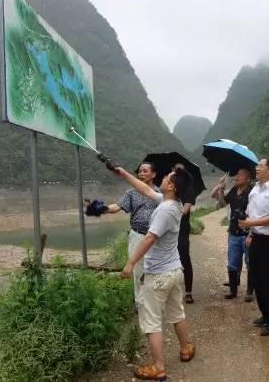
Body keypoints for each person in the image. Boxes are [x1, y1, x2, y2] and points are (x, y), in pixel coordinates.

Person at [114, 163, 196, 381]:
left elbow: (149, 238)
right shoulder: (171, 201)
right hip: (174, 271)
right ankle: (186, 347)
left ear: (171, 186)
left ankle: (158, 367)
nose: (163, 179)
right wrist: (123, 174)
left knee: (151, 321)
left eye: (167, 177)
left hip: (159, 275)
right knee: (176, 312)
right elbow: (146, 190)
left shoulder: (165, 210)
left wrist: (131, 263)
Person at [238, 158, 269, 336]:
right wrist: (251, 232)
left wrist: (251, 223)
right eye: (257, 165)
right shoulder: (256, 189)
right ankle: (266, 314)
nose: (256, 168)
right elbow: (253, 212)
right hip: (257, 240)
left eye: (260, 166)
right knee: (258, 280)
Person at [101, 162, 159, 306]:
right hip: (137, 236)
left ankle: (154, 299)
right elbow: (116, 207)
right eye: (139, 171)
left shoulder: (159, 194)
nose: (141, 174)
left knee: (154, 269)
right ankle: (140, 303)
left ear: (154, 174)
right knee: (138, 270)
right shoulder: (131, 192)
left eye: (145, 171)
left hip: (156, 238)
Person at [210, 168, 254, 301]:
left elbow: (256, 214)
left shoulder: (252, 193)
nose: (236, 177)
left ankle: (250, 292)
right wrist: (222, 188)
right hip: (234, 233)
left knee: (250, 263)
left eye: (240, 175)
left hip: (247, 233)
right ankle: (233, 291)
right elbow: (222, 203)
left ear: (248, 179)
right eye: (236, 174)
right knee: (232, 263)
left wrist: (251, 234)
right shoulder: (234, 190)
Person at [174, 162, 196, 304]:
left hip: (181, 230)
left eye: (179, 170)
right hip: (168, 231)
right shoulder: (168, 190)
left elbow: (185, 211)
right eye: (175, 170)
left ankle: (188, 292)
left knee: (184, 259)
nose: (176, 172)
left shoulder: (188, 190)